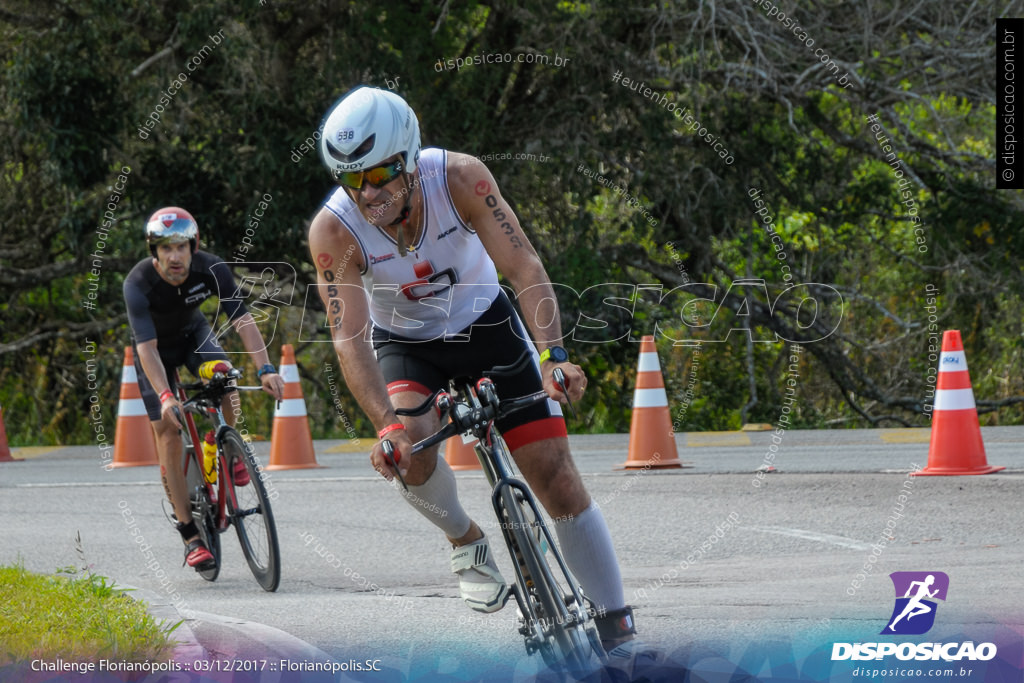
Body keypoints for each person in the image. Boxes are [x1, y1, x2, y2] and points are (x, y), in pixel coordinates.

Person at [307, 86, 641, 656]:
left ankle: (617, 629)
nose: (370, 192)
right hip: (407, 344)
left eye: (382, 172)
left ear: (409, 157)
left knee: (557, 479)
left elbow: (524, 267)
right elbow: (349, 335)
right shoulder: (333, 232)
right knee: (409, 449)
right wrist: (386, 427)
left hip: (486, 321)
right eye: (353, 179)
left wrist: (553, 355)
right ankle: (464, 537)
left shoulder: (460, 178)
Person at [123, 207, 284, 570]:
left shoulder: (211, 268)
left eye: (181, 246)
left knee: (226, 377)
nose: (174, 256)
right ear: (154, 251)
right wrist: (166, 397)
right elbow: (146, 349)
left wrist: (266, 369)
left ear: (193, 247)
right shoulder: (137, 283)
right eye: (165, 248)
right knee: (167, 433)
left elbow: (242, 319)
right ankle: (190, 534)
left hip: (193, 337)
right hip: (155, 354)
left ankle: (227, 447)